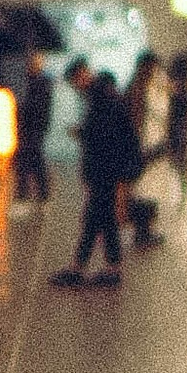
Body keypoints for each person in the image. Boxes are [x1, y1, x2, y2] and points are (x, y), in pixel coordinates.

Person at [53, 59, 143, 284]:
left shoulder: (103, 98)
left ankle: (80, 269)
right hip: (105, 171)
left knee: (95, 219)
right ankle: (107, 268)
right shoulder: (103, 95)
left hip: (105, 171)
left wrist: (85, 135)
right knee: (102, 220)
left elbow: (107, 139)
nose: (76, 87)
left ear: (82, 75)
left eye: (76, 82)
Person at [127, 49, 177, 244]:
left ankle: (144, 230)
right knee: (147, 189)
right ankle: (143, 232)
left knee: (146, 189)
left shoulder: (138, 86)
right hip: (151, 145)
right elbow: (162, 112)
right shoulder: (148, 89)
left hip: (148, 144)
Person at [11, 45, 55, 212]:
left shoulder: (44, 82)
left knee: (32, 158)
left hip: (36, 126)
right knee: (26, 158)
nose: (34, 63)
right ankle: (32, 193)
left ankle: (31, 194)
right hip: (24, 126)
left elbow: (39, 105)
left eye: (37, 60)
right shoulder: (24, 80)